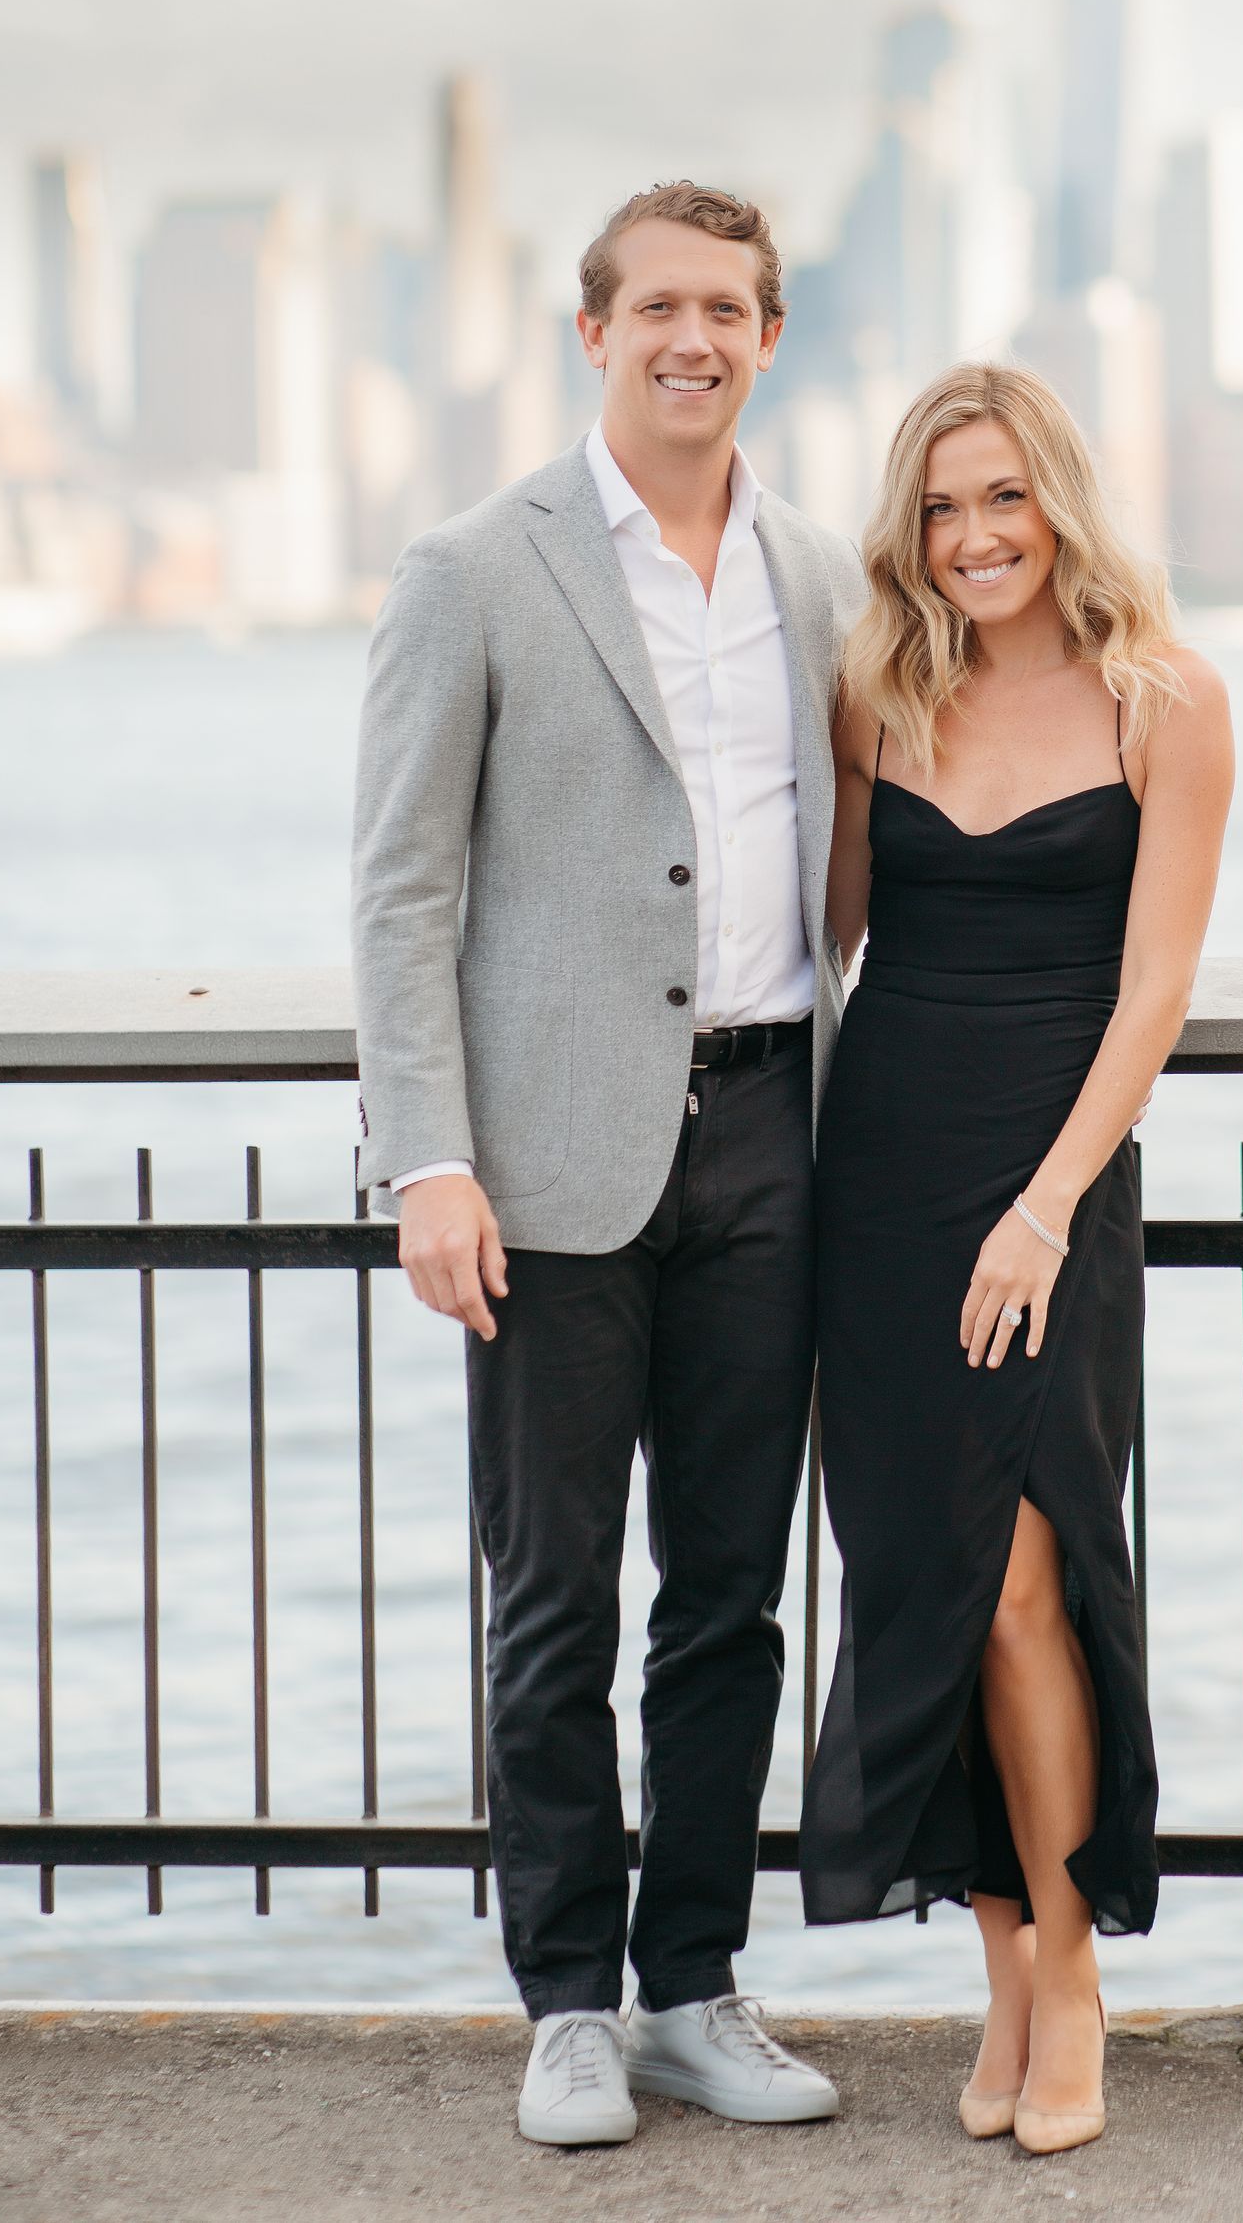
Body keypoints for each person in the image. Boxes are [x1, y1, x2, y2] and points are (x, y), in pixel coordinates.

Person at [351, 181, 864, 2148]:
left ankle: (695, 1985)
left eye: (729, 308)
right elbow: (401, 886)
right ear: (592, 332)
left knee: (731, 1592)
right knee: (553, 1593)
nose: (693, 337)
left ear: (768, 335)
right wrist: (428, 1161)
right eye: (657, 305)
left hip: (772, 1137)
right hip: (548, 1160)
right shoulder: (474, 567)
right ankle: (565, 1996)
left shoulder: (820, 573)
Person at [797, 362, 1234, 2156]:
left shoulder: (1169, 698)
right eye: (941, 509)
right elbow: (816, 940)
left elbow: (1157, 990)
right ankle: (997, 1964)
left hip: (1052, 1185)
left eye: (1003, 499)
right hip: (884, 1179)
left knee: (1029, 1582)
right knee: (925, 1586)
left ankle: (1073, 1973)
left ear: (1060, 501)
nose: (974, 538)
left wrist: (1049, 1202)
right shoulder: (875, 692)